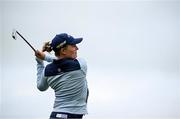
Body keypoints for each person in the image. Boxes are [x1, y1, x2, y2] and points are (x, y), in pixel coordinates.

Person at [35, 33, 89, 119]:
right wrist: (45, 57)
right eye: (73, 45)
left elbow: (41, 87)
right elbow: (62, 62)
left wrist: (40, 62)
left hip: (55, 115)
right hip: (72, 116)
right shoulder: (81, 65)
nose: (77, 48)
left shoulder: (47, 70)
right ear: (63, 51)